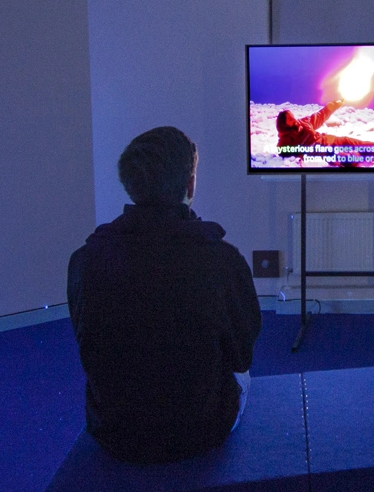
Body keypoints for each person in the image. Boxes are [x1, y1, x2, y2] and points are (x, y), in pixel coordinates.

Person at [67, 126, 262, 463]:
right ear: (190, 185)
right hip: (200, 432)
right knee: (244, 377)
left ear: (130, 184)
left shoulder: (85, 260)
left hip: (114, 433)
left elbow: (89, 345)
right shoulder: (221, 259)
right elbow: (241, 356)